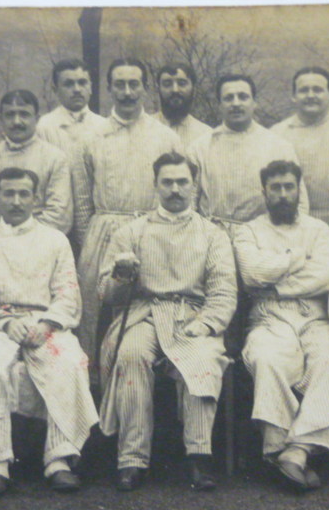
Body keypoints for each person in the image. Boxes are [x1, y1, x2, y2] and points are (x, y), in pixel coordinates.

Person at [97, 152, 237, 492]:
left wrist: (206, 324)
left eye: (182, 182)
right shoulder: (131, 231)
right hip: (144, 315)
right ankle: (131, 459)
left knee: (202, 358)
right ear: (155, 185)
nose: (175, 189)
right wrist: (121, 275)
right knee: (130, 356)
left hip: (191, 315)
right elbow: (105, 292)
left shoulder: (212, 234)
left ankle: (199, 456)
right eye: (167, 182)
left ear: (195, 185)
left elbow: (223, 291)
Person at [0, 167, 97, 495]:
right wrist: (4, 322)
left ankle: (59, 458)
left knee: (67, 362)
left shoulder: (55, 240)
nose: (17, 201)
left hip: (45, 325)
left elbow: (67, 295)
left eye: (24, 194)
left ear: (36, 199)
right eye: (8, 194)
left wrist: (46, 324)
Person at [233, 160, 329, 492]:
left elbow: (325, 274)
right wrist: (299, 259)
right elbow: (252, 274)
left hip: (313, 315)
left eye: (289, 187)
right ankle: (280, 446)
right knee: (267, 358)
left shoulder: (320, 230)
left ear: (300, 190)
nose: (283, 195)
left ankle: (295, 452)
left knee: (328, 359)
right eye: (275, 188)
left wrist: (279, 283)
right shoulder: (249, 230)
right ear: (264, 192)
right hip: (268, 316)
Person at [71, 58, 181, 364]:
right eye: (120, 84)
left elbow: (179, 193)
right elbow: (81, 202)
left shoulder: (166, 137)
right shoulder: (90, 138)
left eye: (134, 84)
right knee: (98, 315)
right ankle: (95, 392)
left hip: (153, 232)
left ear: (145, 89)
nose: (127, 92)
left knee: (149, 316)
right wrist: (90, 242)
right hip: (102, 233)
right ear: (108, 89)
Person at [187, 74, 307, 232]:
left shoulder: (279, 146)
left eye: (243, 97)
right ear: (219, 105)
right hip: (212, 236)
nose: (236, 103)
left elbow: (299, 202)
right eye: (228, 98)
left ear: (254, 102)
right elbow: (189, 201)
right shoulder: (200, 147)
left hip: (264, 238)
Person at [270, 67, 329, 237]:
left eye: (318, 90)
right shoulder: (276, 134)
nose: (311, 95)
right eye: (304, 90)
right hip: (290, 229)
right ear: (294, 96)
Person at [0, 89, 72, 235]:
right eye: (10, 115)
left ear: (37, 118)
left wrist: (23, 241)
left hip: (41, 245)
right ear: (0, 117)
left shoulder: (55, 158)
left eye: (24, 114)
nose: (17, 121)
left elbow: (59, 215)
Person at [36, 59, 106, 150]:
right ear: (55, 90)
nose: (77, 89)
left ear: (90, 87)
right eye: (68, 84)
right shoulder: (44, 126)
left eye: (82, 83)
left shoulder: (103, 125)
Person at [149, 63, 212, 146]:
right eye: (167, 84)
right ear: (158, 90)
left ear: (194, 90)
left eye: (182, 83)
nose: (175, 90)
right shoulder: (144, 129)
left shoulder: (206, 134)